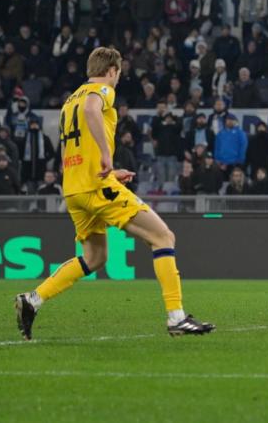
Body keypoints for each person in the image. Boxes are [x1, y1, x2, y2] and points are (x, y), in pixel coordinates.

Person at [14, 48, 214, 341]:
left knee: (94, 259)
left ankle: (33, 299)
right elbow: (93, 111)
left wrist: (108, 169)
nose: (118, 79)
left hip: (75, 188)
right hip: (97, 187)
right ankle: (177, 317)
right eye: (118, 73)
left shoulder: (70, 100)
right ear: (111, 71)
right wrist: (107, 156)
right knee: (163, 237)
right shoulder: (102, 90)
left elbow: (77, 147)